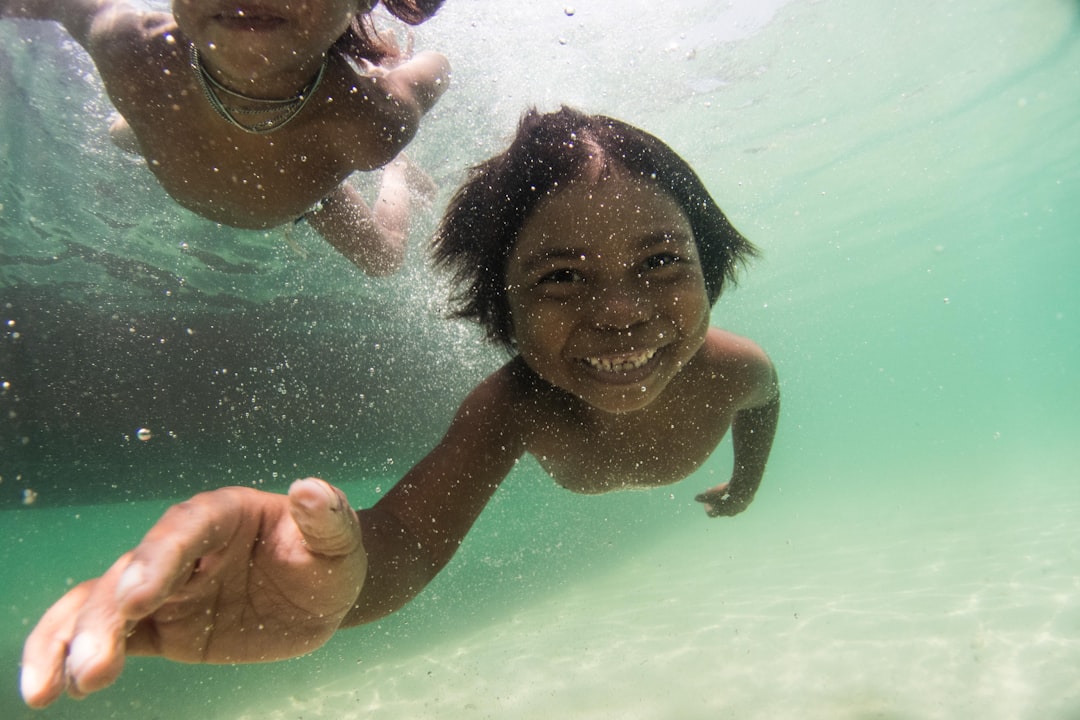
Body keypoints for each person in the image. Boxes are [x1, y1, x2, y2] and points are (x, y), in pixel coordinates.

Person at [19, 106, 780, 708]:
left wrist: (747, 485)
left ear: (711, 271)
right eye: (559, 277)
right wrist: (332, 582)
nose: (620, 312)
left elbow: (764, 403)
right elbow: (408, 541)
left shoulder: (736, 368)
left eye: (659, 261)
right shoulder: (513, 407)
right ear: (500, 312)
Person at [1, 0, 451, 274]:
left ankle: (399, 174)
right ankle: (138, 129)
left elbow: (435, 68)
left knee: (384, 259)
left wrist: (387, 75)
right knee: (122, 131)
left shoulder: (369, 122)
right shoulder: (129, 45)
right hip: (162, 125)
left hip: (312, 196)